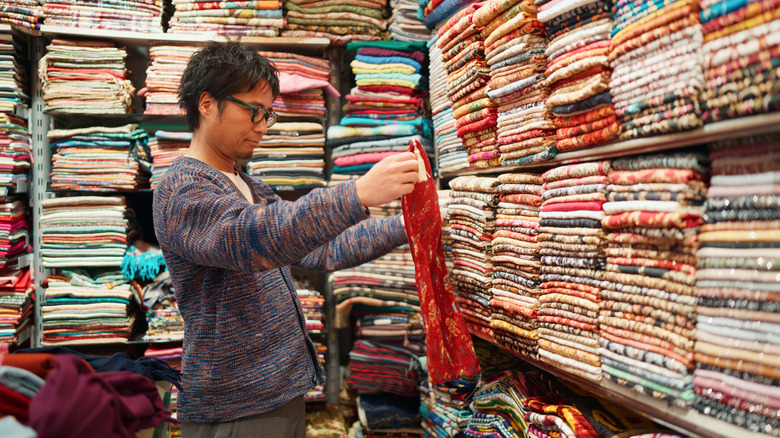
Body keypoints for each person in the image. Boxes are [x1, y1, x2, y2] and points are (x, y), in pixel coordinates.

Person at [152, 40, 420, 437]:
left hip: (276, 392)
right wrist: (357, 193)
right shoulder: (181, 189)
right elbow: (254, 238)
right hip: (236, 403)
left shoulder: (246, 184)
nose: (261, 125)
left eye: (267, 114)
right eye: (253, 111)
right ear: (207, 104)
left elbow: (321, 248)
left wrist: (407, 227)